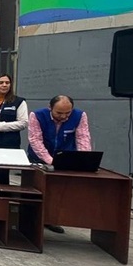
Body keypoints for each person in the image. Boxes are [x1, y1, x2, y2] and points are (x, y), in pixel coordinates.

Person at [27, 95, 93, 235]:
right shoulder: (37, 115)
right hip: (39, 158)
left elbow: (83, 138)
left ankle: (53, 219)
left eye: (67, 113)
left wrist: (84, 159)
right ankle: (34, 219)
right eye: (59, 113)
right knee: (39, 189)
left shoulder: (80, 116)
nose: (63, 116)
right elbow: (35, 140)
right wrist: (51, 161)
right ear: (50, 108)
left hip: (66, 157)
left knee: (60, 190)